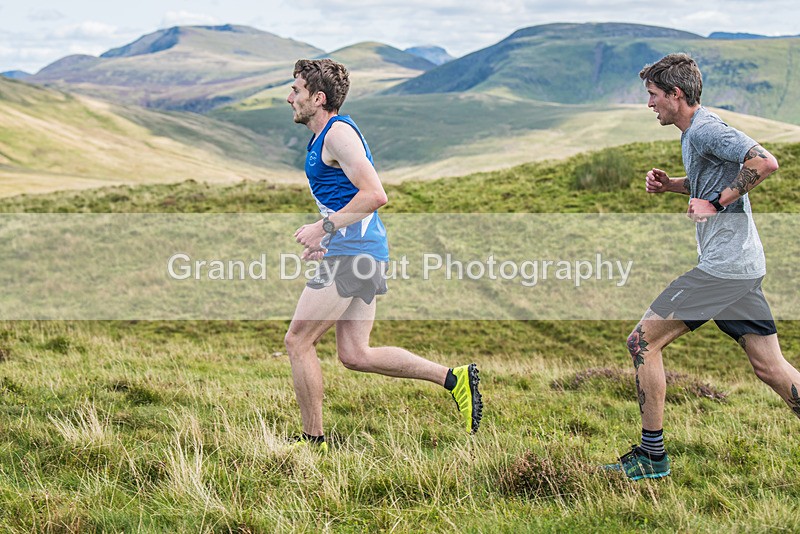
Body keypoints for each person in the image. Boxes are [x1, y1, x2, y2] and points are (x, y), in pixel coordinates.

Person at [604, 53, 800, 480]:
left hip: (724, 269)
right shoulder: (692, 132)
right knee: (770, 366)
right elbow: (713, 179)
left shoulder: (706, 128)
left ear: (676, 94)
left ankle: (651, 457)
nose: (649, 104)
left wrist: (714, 203)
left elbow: (764, 162)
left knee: (642, 343)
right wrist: (675, 185)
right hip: (742, 267)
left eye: (654, 95)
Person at [284, 59, 483, 451]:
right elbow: (347, 198)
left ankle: (313, 441)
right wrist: (328, 237)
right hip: (356, 250)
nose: (289, 97)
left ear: (318, 98)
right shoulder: (324, 135)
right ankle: (455, 378)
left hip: (354, 255)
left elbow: (376, 194)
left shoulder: (337, 134)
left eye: (297, 90)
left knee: (297, 342)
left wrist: (324, 229)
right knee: (356, 353)